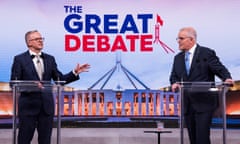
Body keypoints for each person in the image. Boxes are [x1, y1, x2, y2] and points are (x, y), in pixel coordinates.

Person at [10, 30, 90, 144]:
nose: (40, 41)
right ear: (29, 43)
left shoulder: (50, 59)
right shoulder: (19, 59)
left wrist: (75, 72)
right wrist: (32, 85)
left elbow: (59, 80)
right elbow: (13, 83)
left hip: (46, 108)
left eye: (41, 38)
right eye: (37, 39)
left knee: (45, 141)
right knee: (24, 140)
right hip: (28, 108)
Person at [169, 27, 234, 144]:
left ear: (191, 39)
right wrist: (174, 83)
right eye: (178, 38)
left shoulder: (206, 53)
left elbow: (219, 68)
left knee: (202, 137)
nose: (178, 41)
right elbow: (174, 76)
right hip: (188, 104)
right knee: (193, 138)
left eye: (181, 38)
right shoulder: (178, 58)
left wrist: (226, 78)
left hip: (204, 102)